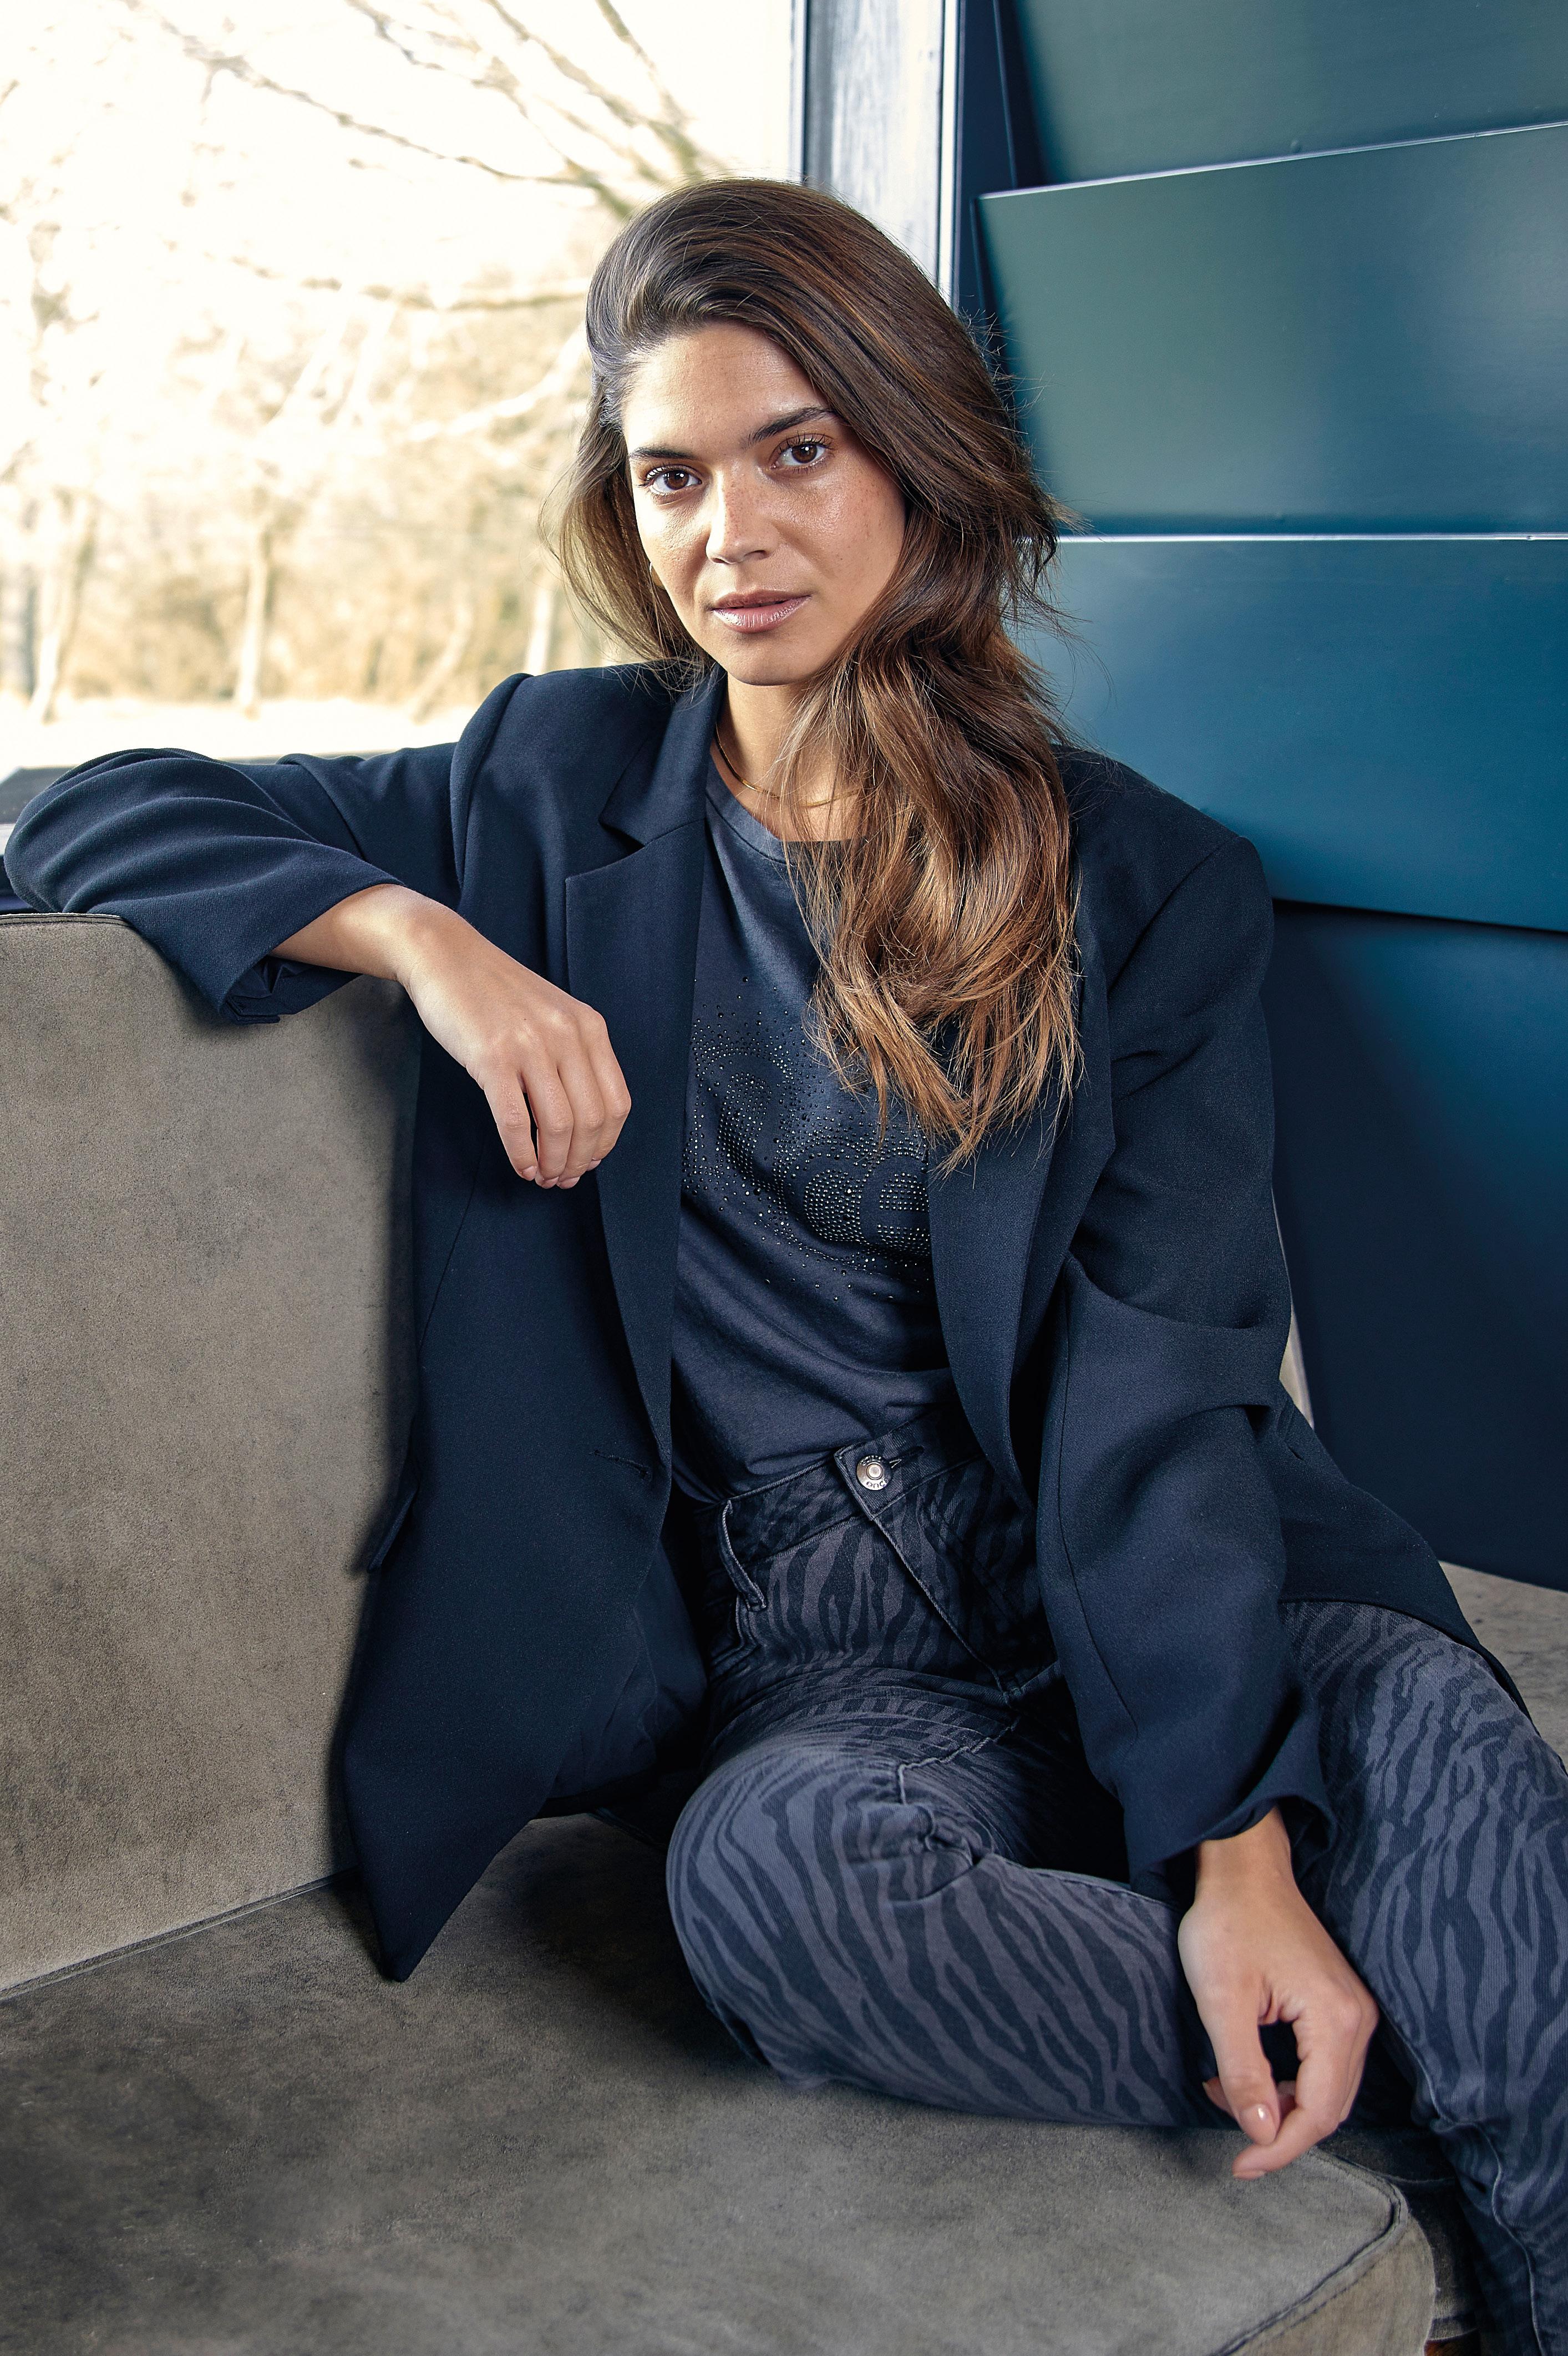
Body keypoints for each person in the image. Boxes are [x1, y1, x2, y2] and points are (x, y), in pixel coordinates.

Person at [9, 179, 1565, 2353]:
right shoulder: (541, 790)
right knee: (769, 1898)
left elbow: (1158, 1394)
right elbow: (78, 808)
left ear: (917, 463)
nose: (725, 531)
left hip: (1200, 1587)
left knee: (1459, 1796)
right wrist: (426, 941)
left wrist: (1234, 1846)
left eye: (795, 452)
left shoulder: (1145, 887)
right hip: (829, 1667)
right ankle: (1434, 2050)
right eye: (670, 474)